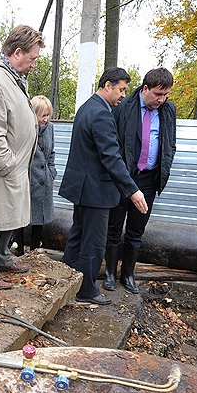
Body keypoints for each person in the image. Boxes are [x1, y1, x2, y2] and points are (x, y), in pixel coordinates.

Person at [0, 25, 44, 290]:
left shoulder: (13, 78)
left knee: (9, 215)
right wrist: (6, 164)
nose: (34, 63)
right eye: (33, 58)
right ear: (16, 53)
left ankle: (1, 258)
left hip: (13, 165)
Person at [58, 67, 138, 305]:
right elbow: (111, 156)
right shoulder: (102, 113)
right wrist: (132, 189)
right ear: (108, 86)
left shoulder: (87, 107)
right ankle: (86, 290)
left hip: (83, 188)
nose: (123, 95)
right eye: (121, 89)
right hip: (96, 190)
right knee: (93, 242)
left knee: (77, 236)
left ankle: (67, 281)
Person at [106, 68, 177, 294]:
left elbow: (170, 143)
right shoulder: (124, 107)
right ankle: (109, 273)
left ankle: (128, 275)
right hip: (123, 178)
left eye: (165, 95)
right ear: (145, 88)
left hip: (148, 179)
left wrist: (165, 164)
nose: (161, 99)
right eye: (157, 94)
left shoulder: (168, 110)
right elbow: (113, 144)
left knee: (137, 230)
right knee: (114, 227)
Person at [12, 95, 56, 255]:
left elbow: (52, 153)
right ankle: (19, 250)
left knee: (40, 219)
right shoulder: (24, 129)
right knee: (21, 216)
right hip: (28, 180)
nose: (46, 119)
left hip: (44, 180)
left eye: (48, 115)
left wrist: (51, 172)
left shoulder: (50, 128)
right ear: (33, 114)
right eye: (43, 115)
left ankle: (36, 250)